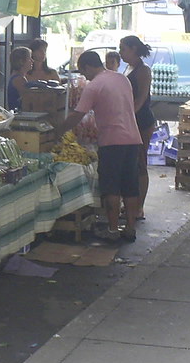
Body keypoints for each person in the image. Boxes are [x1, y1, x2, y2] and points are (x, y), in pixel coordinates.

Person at [55, 50, 142, 242]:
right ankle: (130, 228)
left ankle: (112, 230)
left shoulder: (94, 86)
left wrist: (58, 131)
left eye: (83, 71)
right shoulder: (122, 79)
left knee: (111, 187)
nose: (84, 76)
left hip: (112, 141)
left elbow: (77, 115)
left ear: (87, 66)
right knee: (130, 186)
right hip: (132, 138)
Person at [119, 36, 156, 220]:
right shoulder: (128, 68)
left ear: (133, 49)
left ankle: (139, 207)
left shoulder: (143, 71)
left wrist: (128, 117)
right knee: (131, 164)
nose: (120, 52)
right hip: (129, 120)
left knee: (140, 163)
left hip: (141, 121)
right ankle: (130, 204)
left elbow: (141, 99)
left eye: (123, 49)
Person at [6, 46, 33, 112]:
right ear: (21, 61)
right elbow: (27, 102)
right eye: (29, 59)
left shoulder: (18, 77)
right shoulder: (19, 79)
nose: (32, 61)